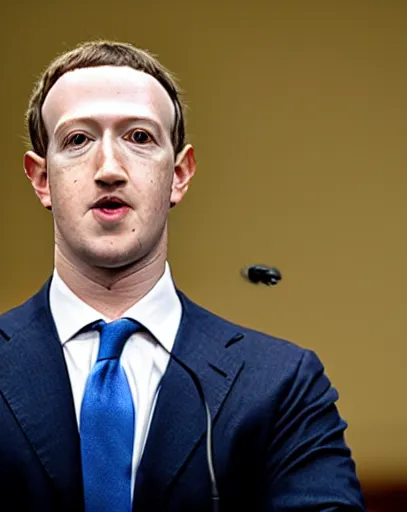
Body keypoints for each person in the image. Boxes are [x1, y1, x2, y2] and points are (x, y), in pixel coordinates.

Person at [0, 41, 365, 511]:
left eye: (139, 137)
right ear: (41, 179)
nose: (109, 169)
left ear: (179, 174)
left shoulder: (280, 385)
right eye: (78, 140)